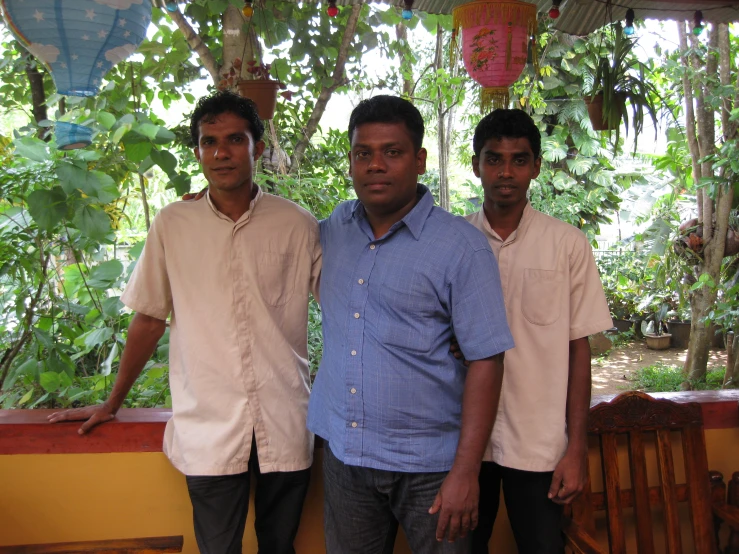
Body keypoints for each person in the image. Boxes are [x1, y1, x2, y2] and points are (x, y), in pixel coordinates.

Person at [48, 91, 322, 554]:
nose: (221, 152)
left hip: (286, 419)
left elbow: (346, 306)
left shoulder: (296, 224)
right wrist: (112, 402)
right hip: (209, 427)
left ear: (257, 146)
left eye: (235, 139)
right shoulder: (173, 224)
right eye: (208, 141)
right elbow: (149, 318)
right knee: (217, 548)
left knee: (281, 545)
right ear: (197, 152)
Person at [307, 95, 515, 554]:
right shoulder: (335, 227)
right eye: (364, 153)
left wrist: (466, 473)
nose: (376, 165)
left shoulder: (462, 247)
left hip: (433, 468)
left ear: (419, 160)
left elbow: (487, 360)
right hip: (347, 456)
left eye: (392, 152)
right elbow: (271, 230)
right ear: (351, 162)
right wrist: (217, 198)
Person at [464, 109, 612, 554]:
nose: (505, 172)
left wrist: (576, 447)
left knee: (543, 547)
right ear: (476, 165)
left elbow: (577, 349)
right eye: (494, 159)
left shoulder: (567, 244)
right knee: (462, 548)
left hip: (541, 443)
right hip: (466, 445)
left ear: (536, 166)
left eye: (519, 160)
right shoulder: (454, 241)